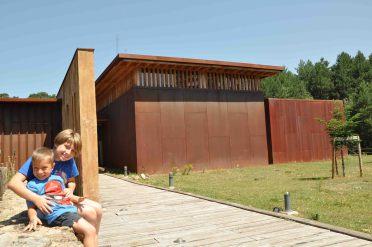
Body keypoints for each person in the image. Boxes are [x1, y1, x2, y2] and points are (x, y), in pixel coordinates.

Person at [7, 129, 102, 234]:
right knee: (91, 213)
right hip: (49, 205)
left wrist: (70, 189)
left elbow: (71, 181)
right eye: (66, 147)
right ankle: (86, 237)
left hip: (62, 198)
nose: (69, 153)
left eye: (73, 151)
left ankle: (92, 240)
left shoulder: (69, 161)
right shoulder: (41, 158)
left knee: (98, 208)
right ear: (57, 143)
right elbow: (13, 183)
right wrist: (36, 198)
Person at [24, 147, 97, 246]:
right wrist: (33, 218)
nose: (40, 172)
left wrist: (76, 198)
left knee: (91, 216)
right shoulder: (32, 185)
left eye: (44, 168)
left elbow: (63, 194)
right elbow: (31, 207)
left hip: (68, 209)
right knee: (90, 230)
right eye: (35, 168)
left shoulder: (58, 179)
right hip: (58, 214)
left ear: (52, 167)